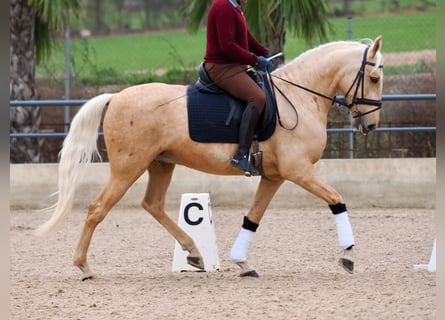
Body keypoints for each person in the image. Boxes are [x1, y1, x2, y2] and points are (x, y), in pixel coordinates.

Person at [203, 0, 273, 176]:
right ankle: (241, 155)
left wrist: (263, 52)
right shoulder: (223, 7)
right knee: (258, 97)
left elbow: (245, 37)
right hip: (221, 67)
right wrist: (255, 60)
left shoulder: (235, 7)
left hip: (234, 66)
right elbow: (228, 46)